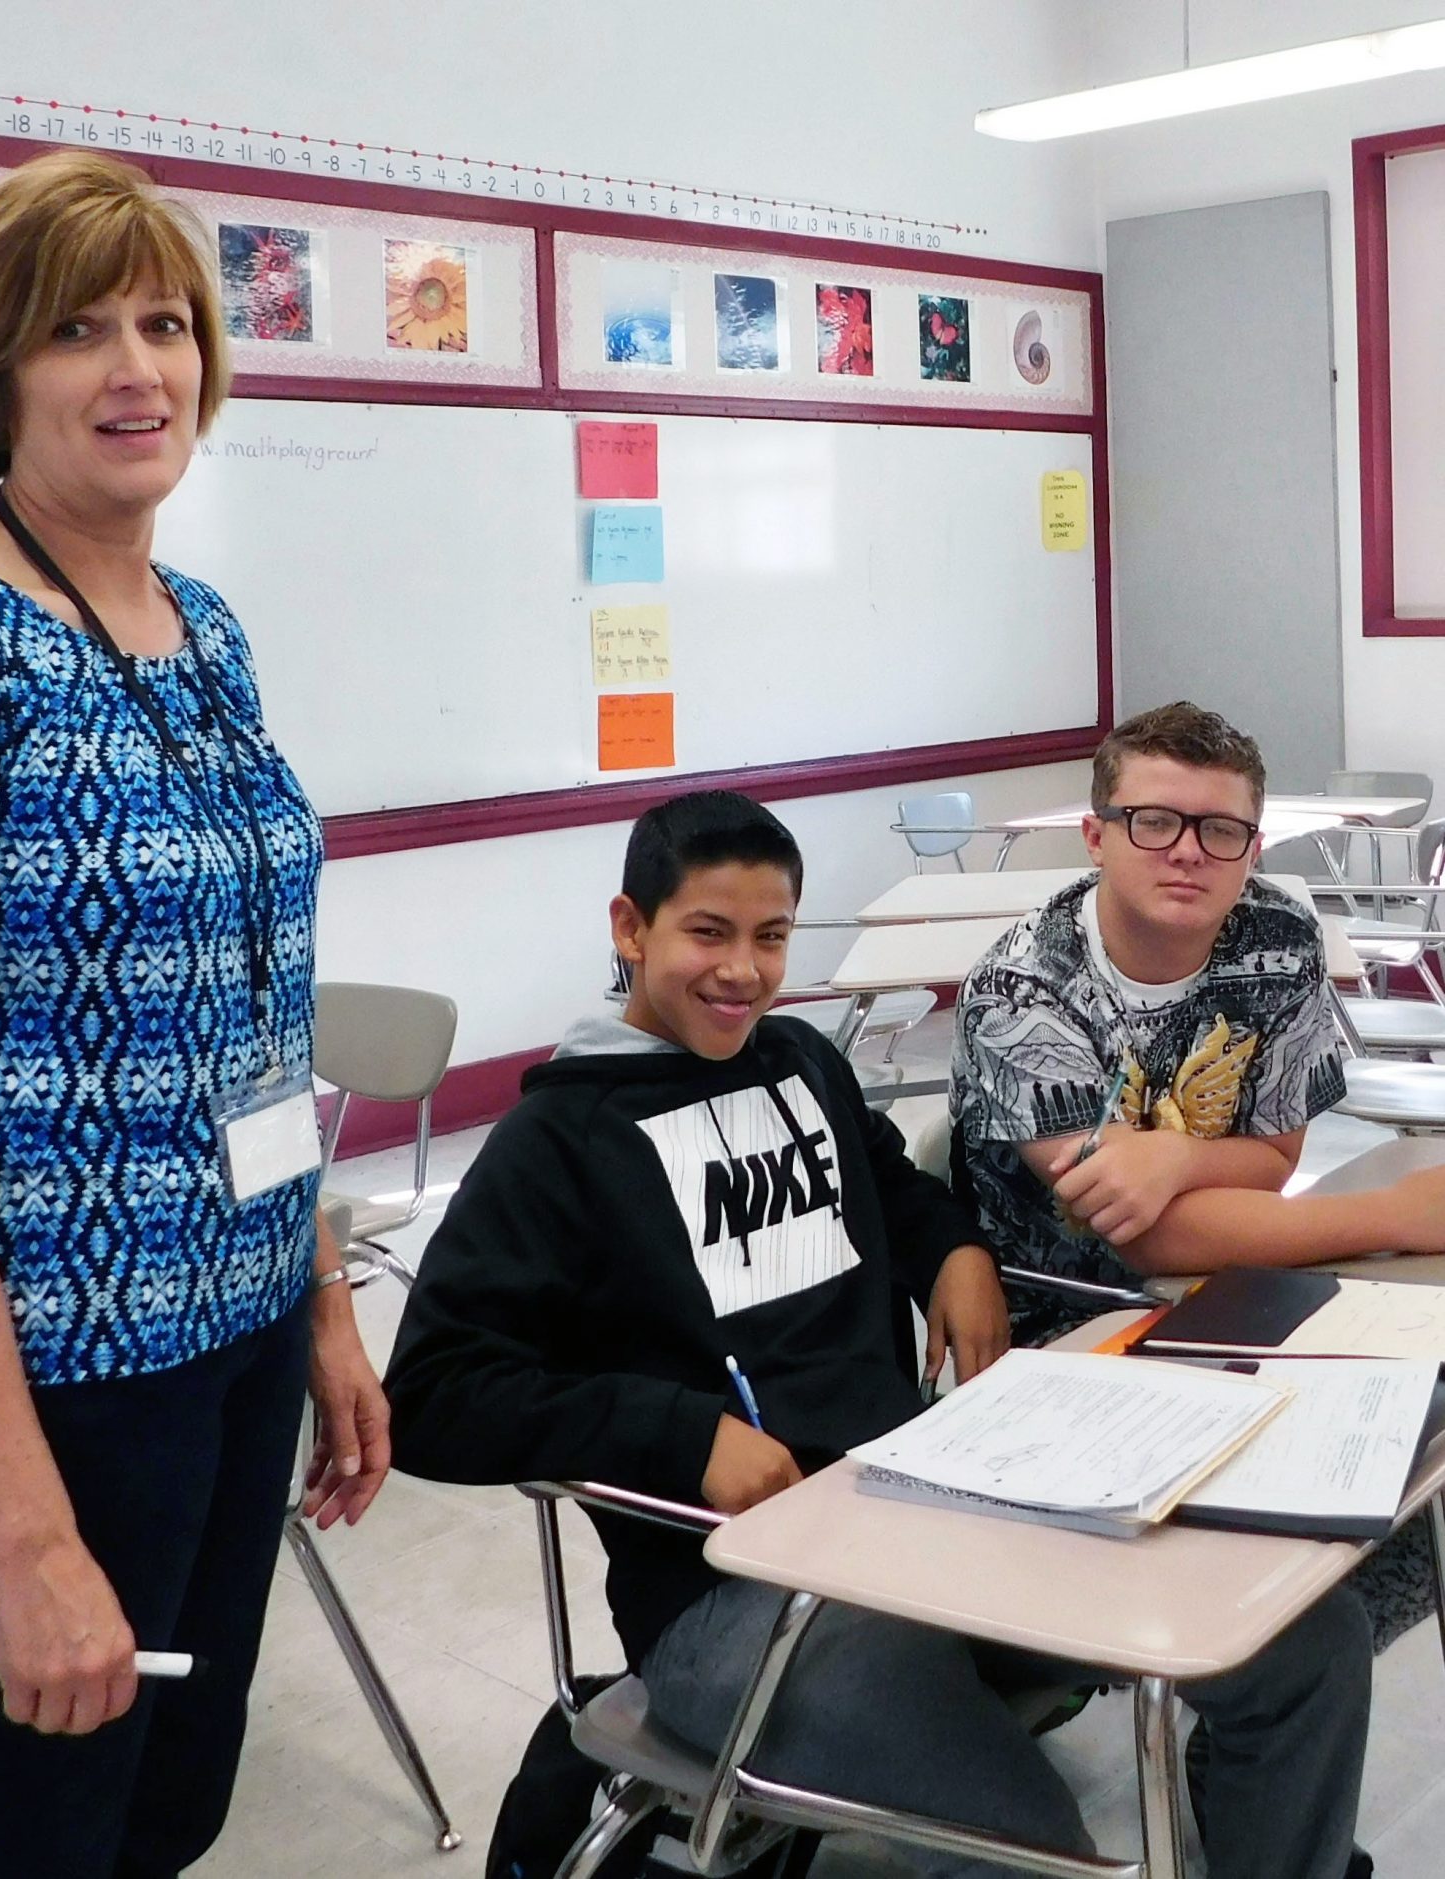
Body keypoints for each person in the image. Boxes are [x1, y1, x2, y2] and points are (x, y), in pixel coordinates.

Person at [384, 788, 1373, 1879]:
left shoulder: (800, 1060)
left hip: (924, 1505)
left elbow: (894, 1185)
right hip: (738, 1592)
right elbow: (430, 1394)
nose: (742, 971)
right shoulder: (555, 1142)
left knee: (1307, 1645)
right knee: (1032, 1845)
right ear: (631, 928)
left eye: (770, 937)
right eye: (707, 932)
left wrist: (952, 1250)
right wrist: (681, 1433)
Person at [0, 151, 388, 1878]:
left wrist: (320, 1296)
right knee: (24, 1834)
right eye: (76, 331)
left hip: (233, 1337)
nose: (138, 369)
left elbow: (256, 1024)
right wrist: (28, 1540)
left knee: (166, 1807)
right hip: (41, 1376)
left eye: (166, 325)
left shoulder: (202, 629)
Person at [950, 700, 1445, 1349]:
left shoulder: (1282, 940)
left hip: (1233, 1283)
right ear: (1096, 838)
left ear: (1253, 850)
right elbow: (1148, 1236)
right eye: (1154, 822)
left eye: (1220, 829)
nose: (1188, 852)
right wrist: (1397, 1215)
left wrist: (1175, 1157)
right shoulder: (1018, 990)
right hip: (1070, 1323)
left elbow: (1273, 1161)